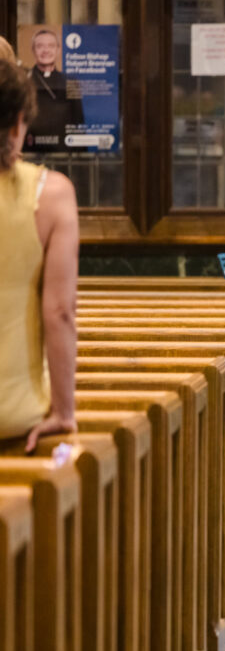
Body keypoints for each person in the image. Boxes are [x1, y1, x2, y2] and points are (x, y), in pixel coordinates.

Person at [0, 58, 79, 453]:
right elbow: (59, 311)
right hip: (15, 417)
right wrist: (65, 410)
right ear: (18, 122)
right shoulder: (51, 194)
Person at [25, 29, 84, 153]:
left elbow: (78, 122)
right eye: (40, 46)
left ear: (58, 50)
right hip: (31, 152)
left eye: (51, 46)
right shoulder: (25, 80)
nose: (46, 50)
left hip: (63, 152)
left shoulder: (70, 82)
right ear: (33, 50)